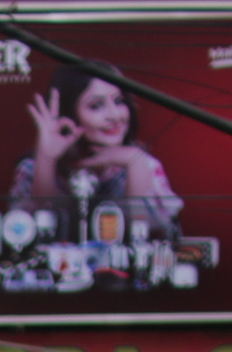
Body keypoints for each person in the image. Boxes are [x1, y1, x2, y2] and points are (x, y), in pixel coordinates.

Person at [11, 65, 180, 232]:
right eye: (96, 106)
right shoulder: (32, 169)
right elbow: (37, 233)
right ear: (69, 114)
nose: (114, 116)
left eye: (119, 101)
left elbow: (143, 234)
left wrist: (134, 160)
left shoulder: (144, 165)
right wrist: (46, 159)